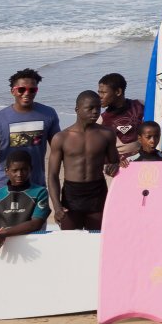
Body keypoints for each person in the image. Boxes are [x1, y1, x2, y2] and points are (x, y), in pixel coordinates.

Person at [0, 68, 60, 191]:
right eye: (21, 89)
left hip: (35, 186)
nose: (27, 93)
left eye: (32, 90)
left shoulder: (48, 114)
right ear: (13, 91)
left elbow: (58, 149)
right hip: (4, 187)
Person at [46, 91, 117, 231]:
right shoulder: (61, 138)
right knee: (70, 240)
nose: (96, 111)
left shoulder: (107, 134)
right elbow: (52, 175)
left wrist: (114, 167)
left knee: (97, 239)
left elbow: (114, 163)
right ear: (77, 109)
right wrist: (57, 206)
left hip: (97, 192)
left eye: (98, 107)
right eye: (90, 108)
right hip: (72, 194)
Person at [0, 153, 49, 257]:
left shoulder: (40, 192)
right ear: (6, 171)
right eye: (14, 170)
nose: (19, 174)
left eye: (24, 169)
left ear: (31, 169)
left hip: (29, 245)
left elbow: (36, 223)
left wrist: (4, 233)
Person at [95, 73, 144, 160]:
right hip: (120, 164)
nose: (99, 97)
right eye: (99, 92)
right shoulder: (101, 121)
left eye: (104, 92)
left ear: (118, 92)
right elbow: (96, 151)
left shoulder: (140, 105)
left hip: (142, 159)